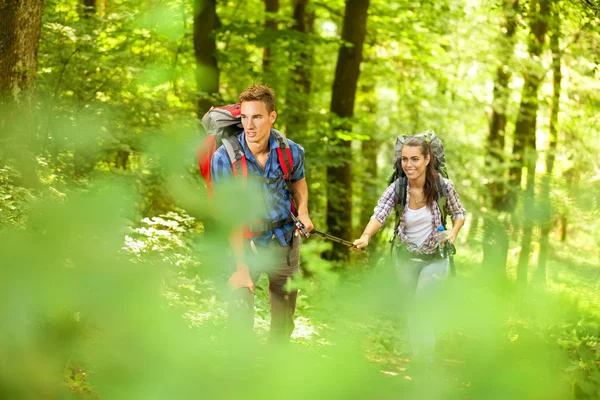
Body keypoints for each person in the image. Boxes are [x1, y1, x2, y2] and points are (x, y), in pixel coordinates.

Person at [210, 84, 314, 343]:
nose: (249, 125)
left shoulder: (291, 151)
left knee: (284, 320)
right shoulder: (225, 159)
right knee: (239, 311)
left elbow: (298, 182)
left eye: (256, 116)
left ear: (272, 117)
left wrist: (303, 212)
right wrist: (241, 266)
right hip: (244, 242)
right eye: (244, 117)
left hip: (285, 239)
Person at [352, 136, 466, 361]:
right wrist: (365, 236)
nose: (409, 164)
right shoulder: (398, 187)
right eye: (404, 159)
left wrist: (453, 233)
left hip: (436, 259)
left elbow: (459, 213)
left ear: (427, 160)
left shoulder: (443, 186)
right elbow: (380, 214)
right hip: (405, 260)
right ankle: (420, 359)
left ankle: (426, 365)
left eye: (415, 159)